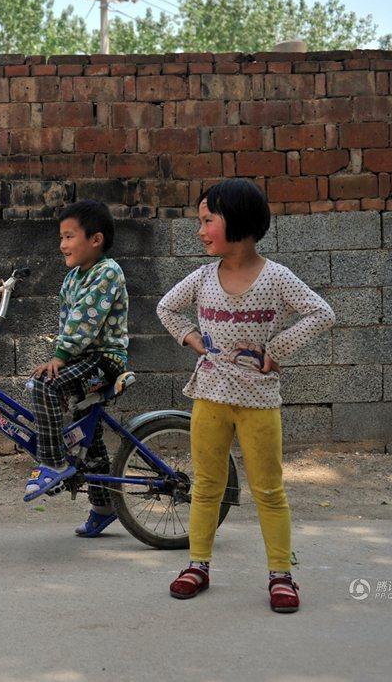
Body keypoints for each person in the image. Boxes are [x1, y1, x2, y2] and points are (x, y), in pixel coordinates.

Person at [157, 178, 335, 613]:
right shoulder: (201, 278)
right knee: (206, 488)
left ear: (236, 221)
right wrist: (191, 339)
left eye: (207, 221)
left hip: (259, 403)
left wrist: (275, 351)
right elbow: (165, 308)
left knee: (269, 491)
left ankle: (281, 574)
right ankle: (197, 565)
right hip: (209, 398)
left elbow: (322, 313)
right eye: (199, 221)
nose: (200, 231)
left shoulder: (276, 278)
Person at [26, 200, 130, 538]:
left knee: (46, 385)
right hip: (84, 360)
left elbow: (84, 320)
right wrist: (64, 357)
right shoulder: (73, 277)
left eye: (70, 236)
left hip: (104, 360)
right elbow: (66, 321)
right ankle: (103, 508)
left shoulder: (107, 271)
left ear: (95, 239)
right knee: (91, 435)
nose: (63, 245)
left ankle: (53, 461)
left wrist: (60, 357)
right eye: (61, 237)